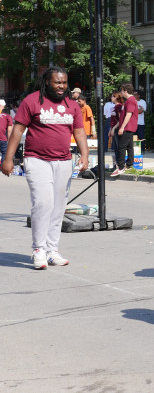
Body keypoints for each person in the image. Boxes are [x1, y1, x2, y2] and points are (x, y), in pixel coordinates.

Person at [1, 66, 89, 269]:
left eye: (64, 82)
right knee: (43, 203)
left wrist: (84, 155)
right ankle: (39, 249)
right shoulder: (32, 101)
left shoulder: (71, 104)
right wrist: (9, 158)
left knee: (58, 207)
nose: (61, 86)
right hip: (37, 159)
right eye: (57, 82)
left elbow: (79, 131)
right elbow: (17, 130)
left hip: (64, 161)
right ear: (47, 82)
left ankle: (52, 250)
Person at [111, 83, 138, 177]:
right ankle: (129, 164)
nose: (121, 92)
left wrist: (122, 127)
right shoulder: (129, 100)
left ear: (126, 91)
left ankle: (121, 167)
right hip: (129, 126)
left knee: (121, 146)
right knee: (129, 146)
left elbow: (128, 114)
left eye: (122, 90)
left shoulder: (130, 100)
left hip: (127, 127)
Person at [0, 99, 13, 165]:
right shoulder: (7, 116)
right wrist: (9, 140)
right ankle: (2, 168)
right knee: (4, 153)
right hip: (2, 138)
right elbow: (9, 130)